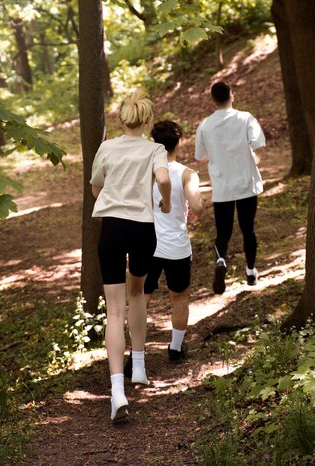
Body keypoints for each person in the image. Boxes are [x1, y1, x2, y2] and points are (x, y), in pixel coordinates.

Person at [90, 90, 171, 424]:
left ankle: (117, 391)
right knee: (137, 293)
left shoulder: (107, 147)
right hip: (142, 228)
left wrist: (109, 191)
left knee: (114, 308)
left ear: (121, 119)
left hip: (112, 229)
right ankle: (138, 366)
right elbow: (164, 178)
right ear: (148, 121)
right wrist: (164, 201)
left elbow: (95, 187)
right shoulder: (156, 149)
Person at [195, 81, 265, 294]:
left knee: (223, 233)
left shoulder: (205, 125)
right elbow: (259, 145)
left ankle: (221, 260)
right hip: (246, 183)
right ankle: (251, 271)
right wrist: (254, 160)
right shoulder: (245, 118)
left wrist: (217, 158)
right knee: (248, 229)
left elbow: (200, 157)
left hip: (222, 186)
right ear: (231, 96)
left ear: (213, 100)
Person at [145, 120, 203, 362]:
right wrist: (190, 206)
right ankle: (176, 349)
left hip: (145, 244)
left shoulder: (145, 173)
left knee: (140, 299)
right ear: (178, 142)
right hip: (176, 246)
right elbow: (198, 207)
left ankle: (134, 354)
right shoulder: (187, 174)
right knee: (178, 297)